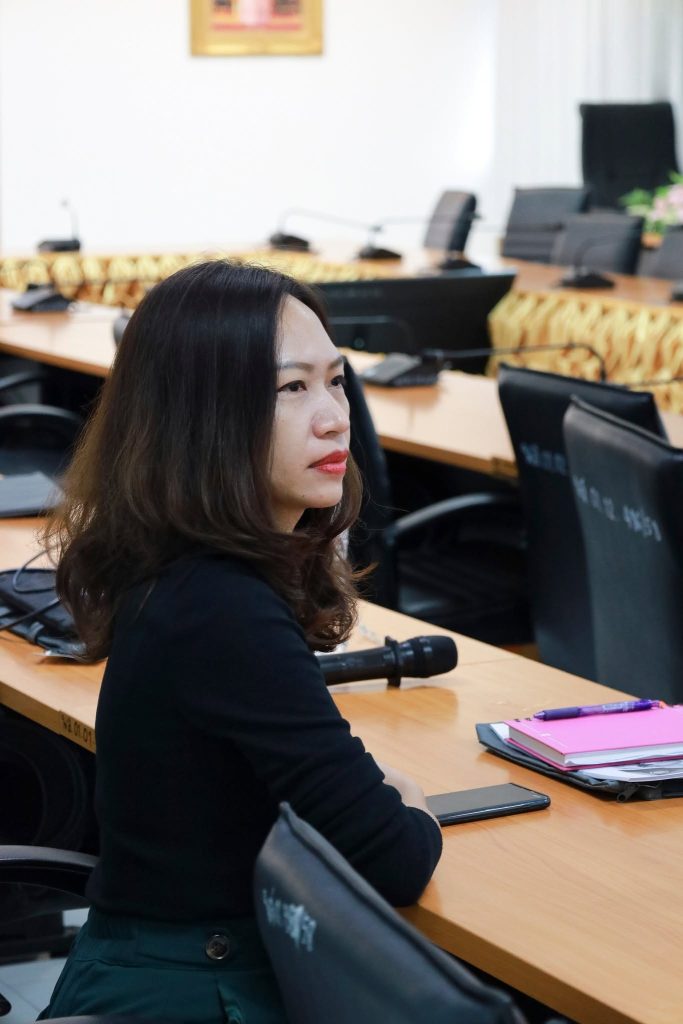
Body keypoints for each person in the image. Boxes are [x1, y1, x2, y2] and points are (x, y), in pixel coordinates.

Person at [39, 259, 442, 1023]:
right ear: (204, 416)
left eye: (336, 381)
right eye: (291, 389)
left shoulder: (185, 570)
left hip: (176, 965)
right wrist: (412, 804)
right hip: (196, 990)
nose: (334, 417)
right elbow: (391, 858)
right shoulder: (220, 605)